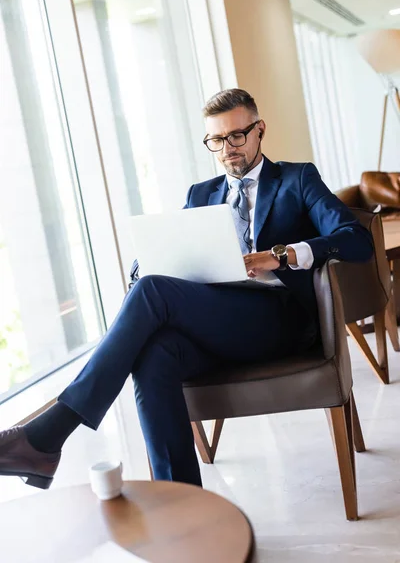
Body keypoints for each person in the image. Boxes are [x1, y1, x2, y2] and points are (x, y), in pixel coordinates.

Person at [0, 88, 373, 490]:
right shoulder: (201, 194)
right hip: (217, 318)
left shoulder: (297, 178)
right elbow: (176, 251)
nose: (227, 148)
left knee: (152, 294)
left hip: (278, 321)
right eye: (216, 139)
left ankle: (48, 433)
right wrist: (148, 261)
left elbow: (355, 239)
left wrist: (280, 255)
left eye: (237, 135)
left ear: (259, 130)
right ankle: (182, 504)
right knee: (155, 353)